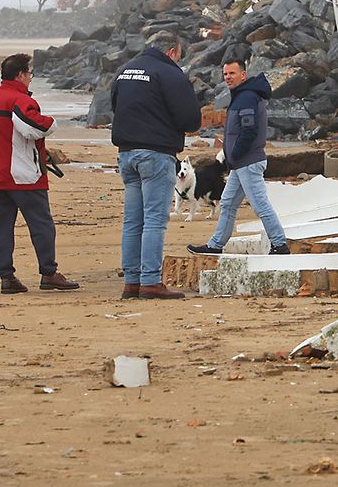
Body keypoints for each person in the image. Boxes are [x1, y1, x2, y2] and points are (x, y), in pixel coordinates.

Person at [111, 31, 202, 298]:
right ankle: (150, 280)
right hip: (156, 153)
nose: (179, 60)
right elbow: (190, 118)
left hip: (127, 152)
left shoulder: (125, 70)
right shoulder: (170, 73)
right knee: (154, 219)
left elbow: (116, 105)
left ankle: (132, 281)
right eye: (179, 55)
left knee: (133, 220)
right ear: (171, 52)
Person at [0, 53, 79, 295]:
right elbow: (33, 127)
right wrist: (52, 122)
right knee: (42, 225)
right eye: (29, 73)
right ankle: (48, 272)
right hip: (23, 174)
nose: (30, 77)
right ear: (20, 75)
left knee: (3, 226)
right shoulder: (19, 99)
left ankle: (6, 276)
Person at [188, 55, 289, 256]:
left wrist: (234, 154)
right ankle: (216, 245)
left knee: (260, 205)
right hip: (240, 164)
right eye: (225, 74)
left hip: (248, 163)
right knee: (227, 203)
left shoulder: (247, 97)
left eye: (232, 73)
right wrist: (233, 158)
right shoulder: (241, 95)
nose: (228, 77)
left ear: (243, 75)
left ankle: (280, 245)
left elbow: (249, 130)